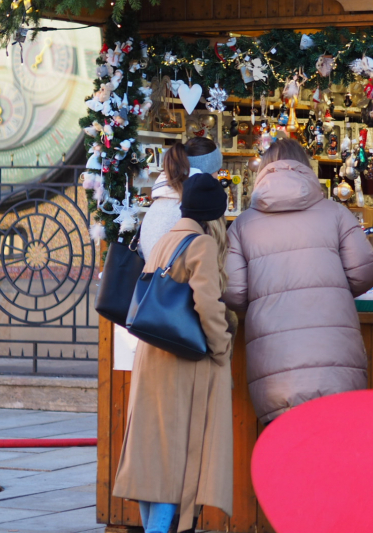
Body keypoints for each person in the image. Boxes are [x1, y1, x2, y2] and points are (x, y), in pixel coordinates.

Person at [224, 139, 373, 424]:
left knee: (284, 457)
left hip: (275, 365)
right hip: (335, 360)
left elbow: (234, 292)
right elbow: (364, 271)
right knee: (339, 455)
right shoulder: (336, 213)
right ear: (306, 168)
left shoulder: (243, 224)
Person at [113, 173, 235, 533]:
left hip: (153, 359)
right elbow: (209, 307)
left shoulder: (168, 238)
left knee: (153, 463)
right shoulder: (201, 245)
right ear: (214, 214)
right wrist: (222, 348)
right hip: (182, 366)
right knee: (173, 467)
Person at [139, 137, 222, 259]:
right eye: (217, 172)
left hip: (155, 276)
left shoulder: (162, 201)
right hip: (180, 277)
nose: (217, 178)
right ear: (209, 174)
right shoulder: (192, 209)